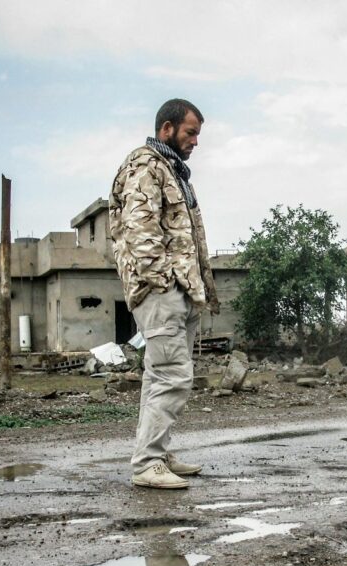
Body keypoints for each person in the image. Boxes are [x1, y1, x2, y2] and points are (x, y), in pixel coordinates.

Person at [109, 98, 219, 489]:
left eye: (197, 135)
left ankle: (156, 453)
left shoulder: (173, 171)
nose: (195, 142)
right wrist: (163, 283)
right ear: (167, 128)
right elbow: (141, 231)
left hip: (181, 290)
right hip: (162, 291)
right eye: (190, 132)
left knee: (159, 375)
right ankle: (147, 464)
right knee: (172, 375)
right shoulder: (145, 167)